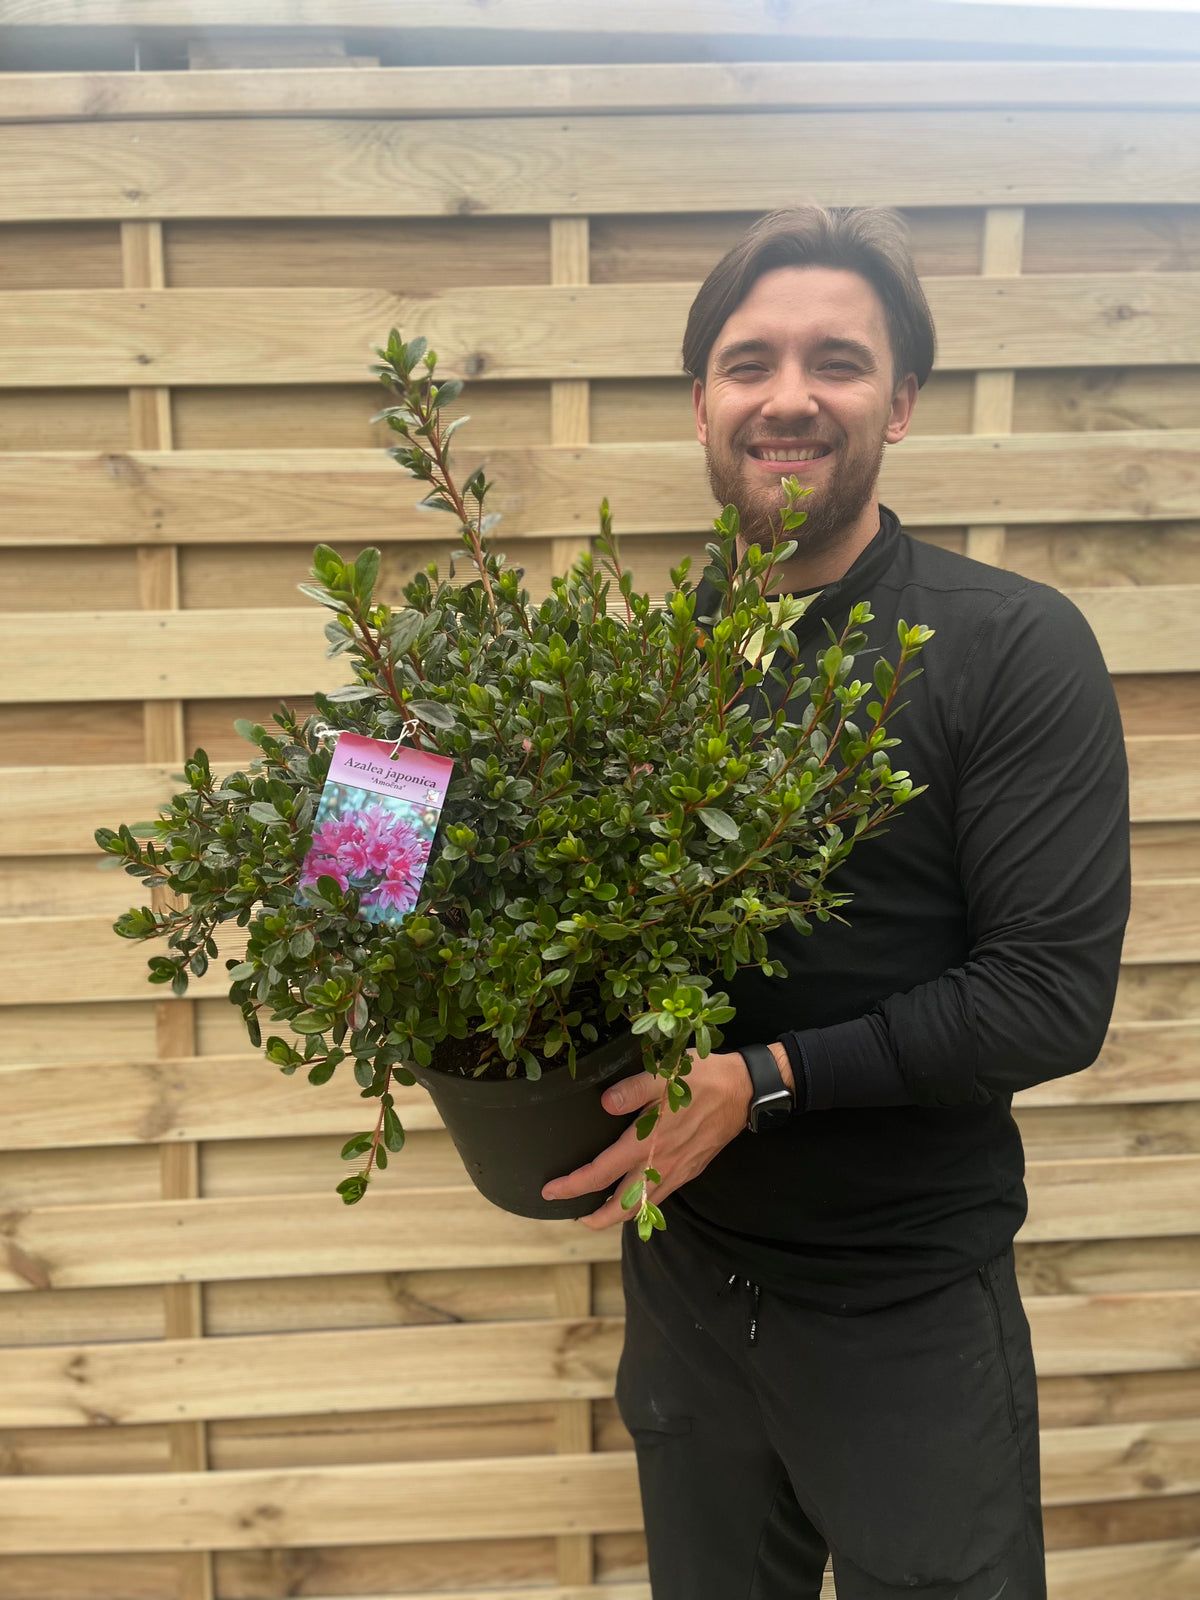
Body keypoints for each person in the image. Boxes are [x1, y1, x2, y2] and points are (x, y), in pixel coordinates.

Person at [542, 206, 1131, 1600]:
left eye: (837, 362)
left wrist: (764, 1079)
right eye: (750, 363)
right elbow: (531, 871)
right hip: (690, 1290)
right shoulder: (657, 658)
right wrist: (360, 852)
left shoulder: (1008, 645)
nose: (789, 396)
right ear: (702, 405)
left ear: (902, 404)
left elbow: (1049, 996)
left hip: (905, 1307)